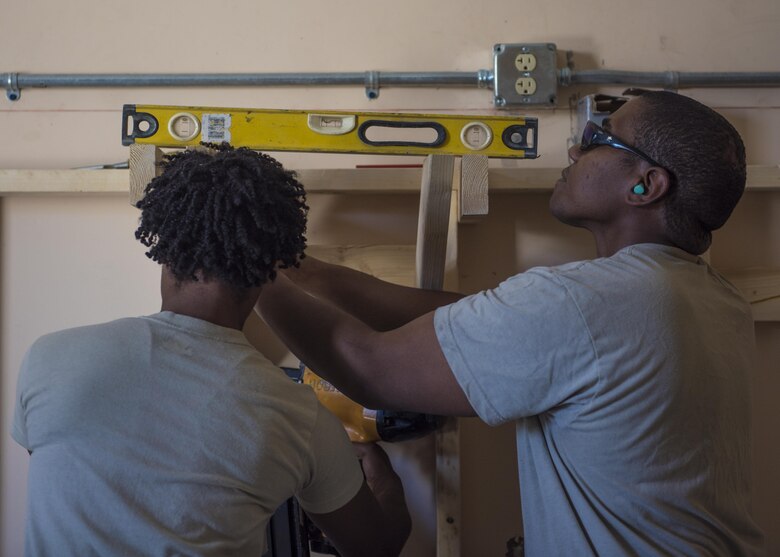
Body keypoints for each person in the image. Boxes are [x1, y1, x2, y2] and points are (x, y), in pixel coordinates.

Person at [256, 91, 765, 555]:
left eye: (594, 139)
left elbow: (369, 368)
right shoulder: (713, 300)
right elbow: (479, 320)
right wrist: (309, 273)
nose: (572, 151)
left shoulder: (581, 304)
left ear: (646, 185)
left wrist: (242, 261)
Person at [12, 144, 411, 557]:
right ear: (270, 270)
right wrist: (385, 478)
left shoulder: (49, 358)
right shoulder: (299, 417)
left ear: (165, 249)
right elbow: (377, 548)